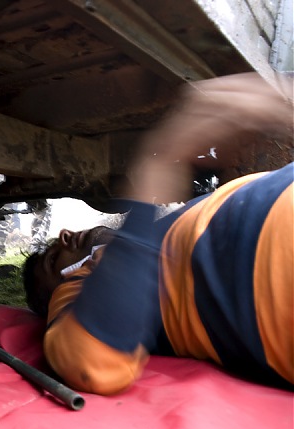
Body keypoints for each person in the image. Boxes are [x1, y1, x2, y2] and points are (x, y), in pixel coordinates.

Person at [22, 73, 293, 395]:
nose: (65, 234)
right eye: (55, 260)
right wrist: (158, 167)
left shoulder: (163, 231)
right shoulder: (78, 289)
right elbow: (88, 363)